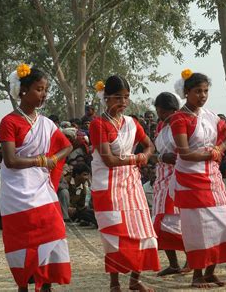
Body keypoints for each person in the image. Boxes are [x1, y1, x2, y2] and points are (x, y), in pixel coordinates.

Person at [170, 69, 226, 288]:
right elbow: (184, 152)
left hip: (212, 179)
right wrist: (211, 154)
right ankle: (197, 275)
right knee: (197, 228)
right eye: (198, 91)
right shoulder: (179, 118)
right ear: (187, 92)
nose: (203, 96)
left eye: (205, 91)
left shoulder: (210, 115)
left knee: (223, 223)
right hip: (190, 180)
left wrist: (218, 149)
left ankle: (211, 270)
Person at [0, 64, 73, 291]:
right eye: (39, 89)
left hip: (42, 188)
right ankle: (25, 284)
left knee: (54, 230)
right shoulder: (9, 122)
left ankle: (46, 284)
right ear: (23, 90)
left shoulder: (46, 123)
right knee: (25, 241)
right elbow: (11, 160)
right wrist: (42, 160)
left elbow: (67, 146)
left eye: (45, 90)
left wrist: (51, 159)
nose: (43, 95)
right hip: (18, 190)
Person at [89, 75, 159, 292]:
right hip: (108, 186)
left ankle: (135, 280)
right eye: (118, 97)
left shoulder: (131, 123)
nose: (123, 102)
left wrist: (145, 155)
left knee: (142, 232)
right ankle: (114, 283)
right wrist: (136, 158)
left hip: (131, 183)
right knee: (115, 235)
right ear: (106, 98)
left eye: (126, 97)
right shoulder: (98, 124)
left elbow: (150, 145)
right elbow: (108, 159)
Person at [151, 92, 189, 277]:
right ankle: (173, 263)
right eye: (161, 111)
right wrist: (160, 157)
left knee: (178, 221)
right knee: (161, 221)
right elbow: (154, 153)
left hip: (179, 177)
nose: (164, 115)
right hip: (161, 177)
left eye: (167, 111)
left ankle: (191, 259)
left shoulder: (181, 124)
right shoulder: (160, 126)